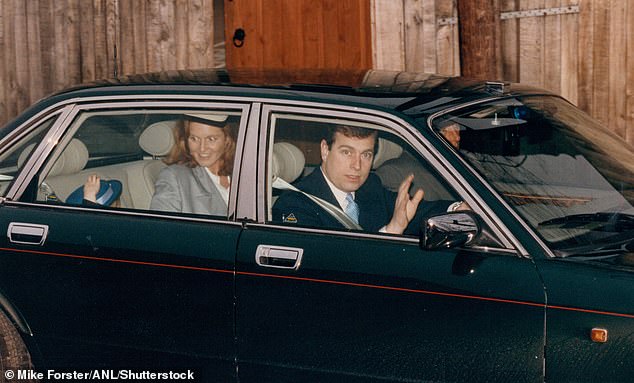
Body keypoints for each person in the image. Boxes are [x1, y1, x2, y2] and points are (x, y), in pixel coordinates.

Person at [273, 125, 458, 235]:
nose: (357, 165)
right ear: (325, 149)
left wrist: (456, 209)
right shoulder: (295, 204)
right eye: (347, 152)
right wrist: (391, 231)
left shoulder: (370, 186)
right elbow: (331, 266)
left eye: (366, 155)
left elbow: (410, 211)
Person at [150, 114, 238, 215]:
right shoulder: (174, 177)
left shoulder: (244, 170)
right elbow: (161, 227)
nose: (202, 148)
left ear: (227, 140)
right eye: (194, 139)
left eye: (211, 139)